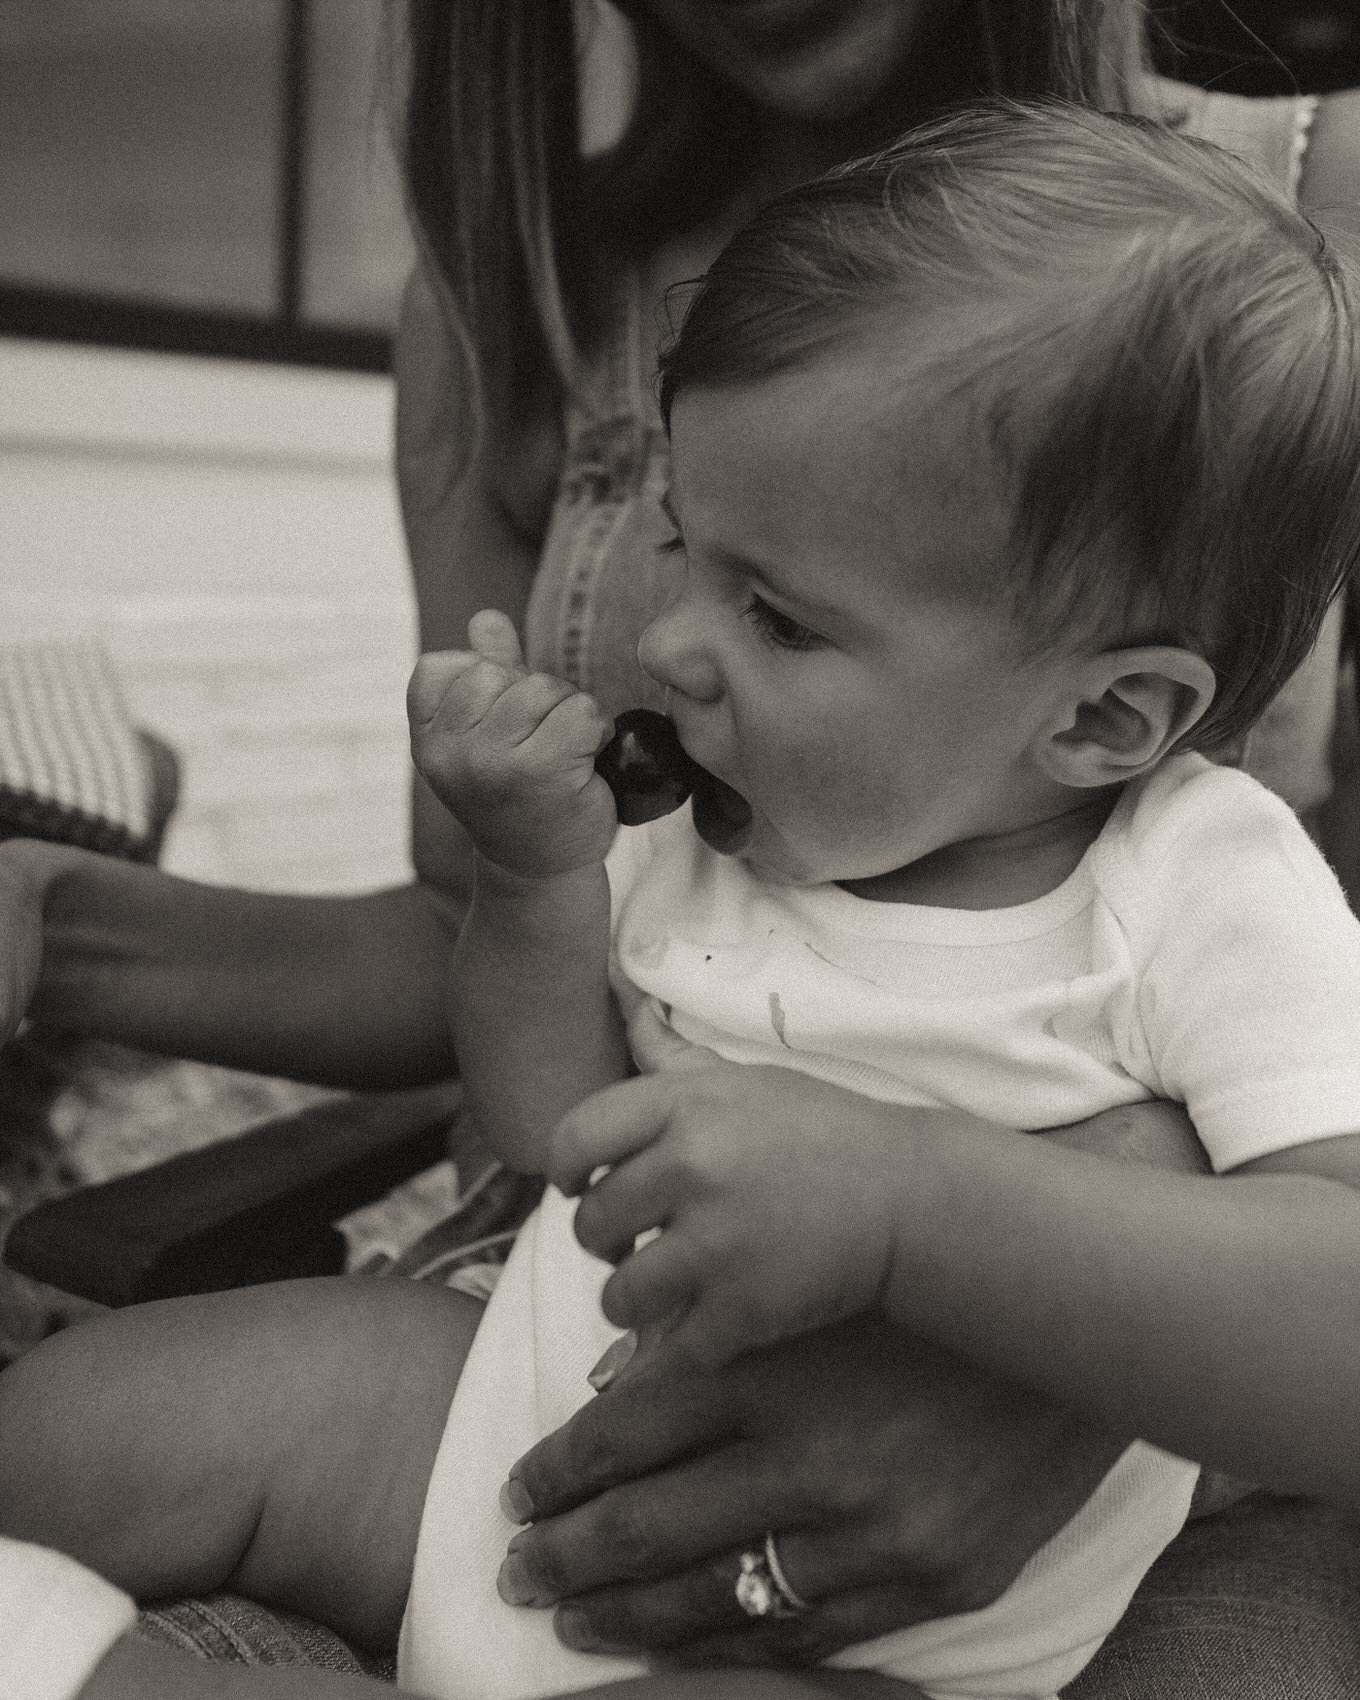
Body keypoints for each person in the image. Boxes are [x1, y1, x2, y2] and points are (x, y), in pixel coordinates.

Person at [0, 1, 1356, 1691]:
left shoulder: (1201, 884)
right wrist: (533, 882)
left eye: (775, 616)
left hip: (876, 1641)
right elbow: (547, 1125)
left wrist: (917, 1213)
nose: (666, 648)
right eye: (677, 551)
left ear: (1103, 718)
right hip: (536, 1416)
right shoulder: (733, 817)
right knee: (112, 1414)